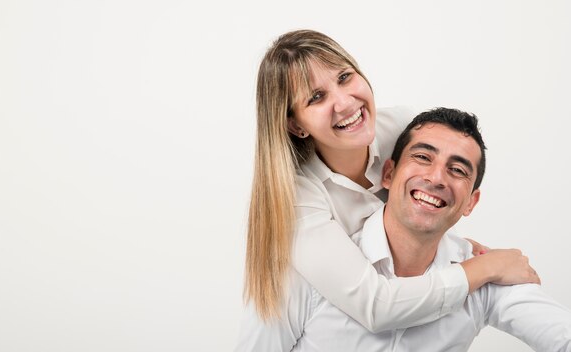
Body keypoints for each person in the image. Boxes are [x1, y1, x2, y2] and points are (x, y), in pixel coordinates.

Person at [242, 29, 540, 332]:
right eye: (316, 97)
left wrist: (457, 248)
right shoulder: (297, 198)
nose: (345, 104)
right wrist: (485, 268)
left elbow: (427, 209)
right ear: (296, 125)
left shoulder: (401, 127)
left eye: (344, 77)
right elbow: (374, 306)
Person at [236, 108, 571, 351]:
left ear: (471, 202)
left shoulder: (486, 274)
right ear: (388, 174)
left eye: (457, 169)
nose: (437, 178)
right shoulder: (310, 269)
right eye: (423, 157)